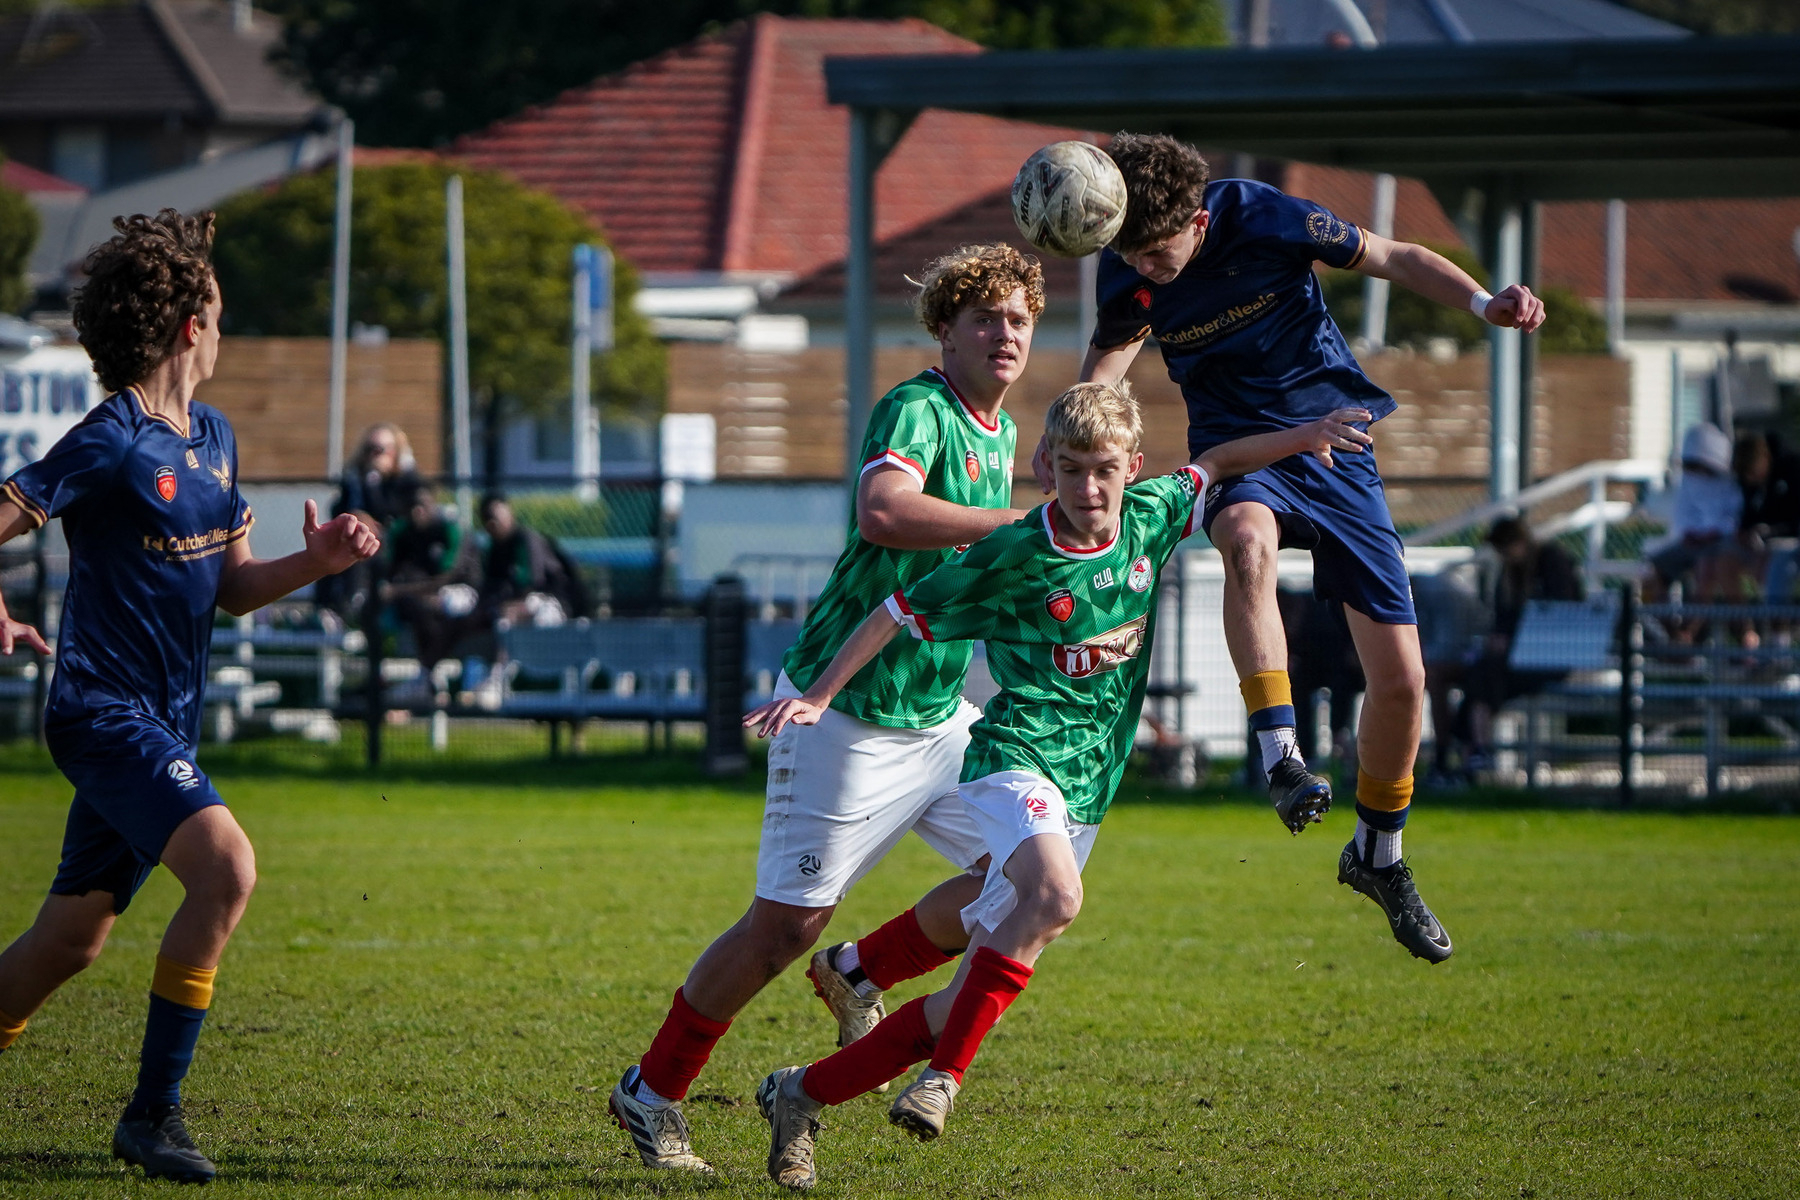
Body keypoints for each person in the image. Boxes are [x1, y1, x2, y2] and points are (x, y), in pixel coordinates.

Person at [745, 382, 1371, 1189]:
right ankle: (943, 1079)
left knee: (969, 988)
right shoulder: (1011, 554)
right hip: (1013, 758)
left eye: (1104, 470)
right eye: (1071, 470)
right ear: (1046, 468)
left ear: (1131, 468)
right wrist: (820, 695)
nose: (1088, 489)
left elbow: (1216, 462)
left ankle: (802, 1090)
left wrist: (1309, 430)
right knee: (1056, 898)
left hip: (1090, 787)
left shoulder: (1150, 517)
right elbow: (896, 610)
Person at [607, 244, 1040, 1174]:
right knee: (782, 928)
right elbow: (885, 510)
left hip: (937, 713)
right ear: (947, 330)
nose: (1005, 335)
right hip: (838, 709)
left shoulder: (999, 429)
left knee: (1024, 879)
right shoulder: (917, 406)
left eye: (1019, 320)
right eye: (986, 319)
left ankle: (861, 972)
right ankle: (651, 1092)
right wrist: (1013, 528)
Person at [1067, 133, 1545, 961]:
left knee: (1402, 682)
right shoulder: (1126, 270)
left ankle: (1378, 857)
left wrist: (1481, 305)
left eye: (1154, 250)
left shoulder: (1261, 216)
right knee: (1245, 542)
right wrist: (1073, 425)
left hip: (1339, 449)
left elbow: (1392, 254)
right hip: (1239, 450)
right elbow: (1110, 355)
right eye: (1129, 254)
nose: (1142, 267)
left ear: (1196, 218)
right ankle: (1280, 754)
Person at [0, 210, 379, 1183]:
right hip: (101, 713)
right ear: (188, 329)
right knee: (228, 871)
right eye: (219, 312)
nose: (225, 330)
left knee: (70, 942)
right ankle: (152, 1116)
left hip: (161, 722)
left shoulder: (213, 437)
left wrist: (319, 559)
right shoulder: (111, 438)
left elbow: (235, 588)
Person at [1453, 516, 1583, 771]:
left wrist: (1512, 639)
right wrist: (1500, 638)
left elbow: (1558, 612)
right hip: (1516, 659)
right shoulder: (1509, 574)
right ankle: (1476, 749)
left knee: (1484, 675)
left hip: (1551, 656)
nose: (1503, 555)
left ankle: (1472, 748)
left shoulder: (1551, 560)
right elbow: (1503, 618)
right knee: (1480, 673)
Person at [384, 484, 481, 674]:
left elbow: (446, 577)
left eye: (422, 505)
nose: (417, 511)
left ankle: (428, 671)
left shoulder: (449, 529)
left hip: (460, 591)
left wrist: (399, 591)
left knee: (440, 606)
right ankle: (429, 675)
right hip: (422, 596)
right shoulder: (405, 532)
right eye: (413, 506)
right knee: (420, 608)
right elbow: (393, 570)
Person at [477, 494, 593, 628]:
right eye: (489, 520)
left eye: (498, 517)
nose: (493, 525)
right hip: (521, 602)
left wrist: (509, 604)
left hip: (553, 600)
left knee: (513, 618)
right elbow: (491, 586)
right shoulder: (494, 548)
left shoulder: (525, 540)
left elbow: (532, 582)